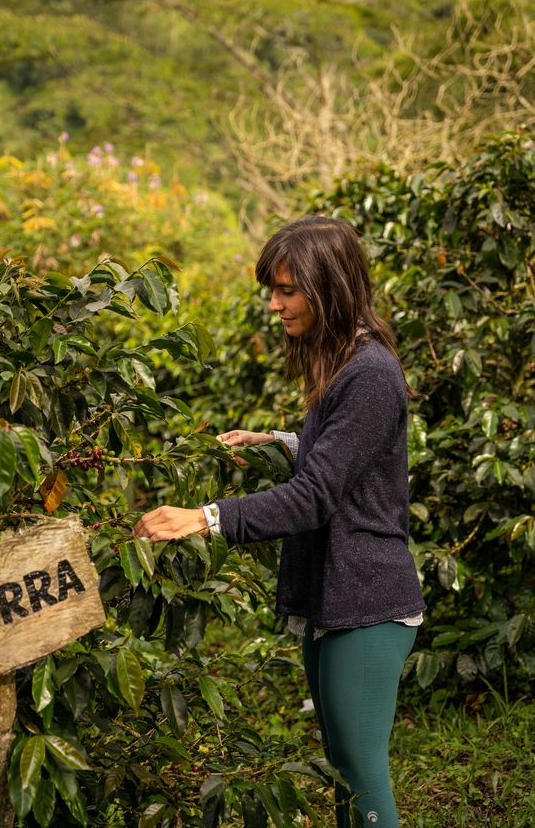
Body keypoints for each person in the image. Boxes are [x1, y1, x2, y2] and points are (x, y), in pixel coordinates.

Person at [134, 214, 426, 828]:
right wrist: (281, 440)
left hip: (369, 599)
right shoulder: (346, 364)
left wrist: (206, 518)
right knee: (344, 767)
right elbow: (346, 455)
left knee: (362, 768)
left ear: (330, 287)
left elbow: (316, 496)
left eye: (288, 291)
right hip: (337, 594)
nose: (275, 305)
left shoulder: (370, 374)